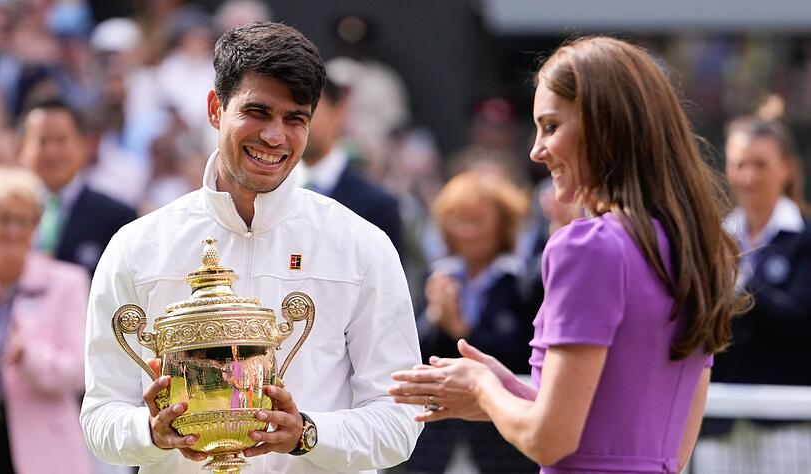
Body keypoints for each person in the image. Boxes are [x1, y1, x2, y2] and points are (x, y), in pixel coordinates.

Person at [390, 36, 746, 474]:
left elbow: (550, 441)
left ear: (606, 126)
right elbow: (649, 443)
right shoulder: (697, 247)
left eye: (552, 126)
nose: (536, 150)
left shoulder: (589, 247)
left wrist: (484, 387)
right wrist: (507, 392)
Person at [79, 22, 422, 474]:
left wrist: (308, 434)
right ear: (215, 108)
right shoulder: (138, 246)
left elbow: (400, 419)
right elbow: (101, 415)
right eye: (257, 112)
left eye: (294, 118)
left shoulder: (361, 246)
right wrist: (150, 433)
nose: (274, 136)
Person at [695, 108, 811, 473]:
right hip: (718, 422)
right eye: (739, 163)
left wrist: (738, 282)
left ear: (787, 168)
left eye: (760, 164)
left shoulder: (805, 239)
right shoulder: (716, 241)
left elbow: (798, 322)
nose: (748, 176)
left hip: (786, 425)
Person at [405, 170, 538, 473]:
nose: (466, 231)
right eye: (457, 219)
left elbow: (525, 357)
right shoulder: (439, 277)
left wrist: (464, 333)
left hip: (502, 443)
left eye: (477, 220)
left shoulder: (522, 283)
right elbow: (414, 353)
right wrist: (435, 319)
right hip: (440, 442)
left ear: (502, 224)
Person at [0, 167, 91, 474]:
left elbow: (79, 373)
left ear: (36, 226)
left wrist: (29, 357)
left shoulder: (66, 282)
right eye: (3, 219)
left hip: (43, 450)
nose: (13, 231)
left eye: (24, 220)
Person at [18, 97, 137, 275]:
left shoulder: (117, 219)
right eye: (42, 141)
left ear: (82, 145)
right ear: (22, 147)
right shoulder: (3, 215)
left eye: (61, 140)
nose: (52, 152)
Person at [298, 75, 402, 252]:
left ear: (338, 111)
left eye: (309, 109)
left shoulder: (377, 204)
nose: (297, 121)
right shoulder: (267, 190)